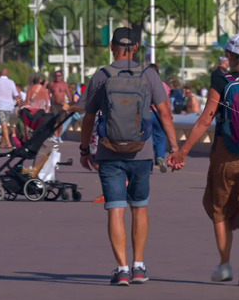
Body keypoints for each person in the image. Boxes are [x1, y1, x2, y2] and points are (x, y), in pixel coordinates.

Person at [168, 33, 239, 287]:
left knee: (220, 209)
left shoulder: (221, 80)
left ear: (229, 56)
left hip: (225, 153)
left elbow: (206, 118)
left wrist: (182, 151)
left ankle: (225, 263)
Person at [79, 27, 178, 286]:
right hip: (141, 152)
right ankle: (138, 266)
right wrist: (174, 147)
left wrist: (84, 149)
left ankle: (121, 269)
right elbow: (165, 115)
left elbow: (88, 117)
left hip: (109, 152)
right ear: (136, 48)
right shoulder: (149, 75)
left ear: (112, 46)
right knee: (140, 207)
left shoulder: (101, 75)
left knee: (115, 209)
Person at [0, 68, 20, 149]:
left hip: (0, 105)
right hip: (9, 106)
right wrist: (19, 103)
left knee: (4, 124)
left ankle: (8, 143)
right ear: (7, 74)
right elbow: (16, 95)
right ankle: (2, 143)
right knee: (5, 123)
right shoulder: (11, 82)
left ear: (0, 73)